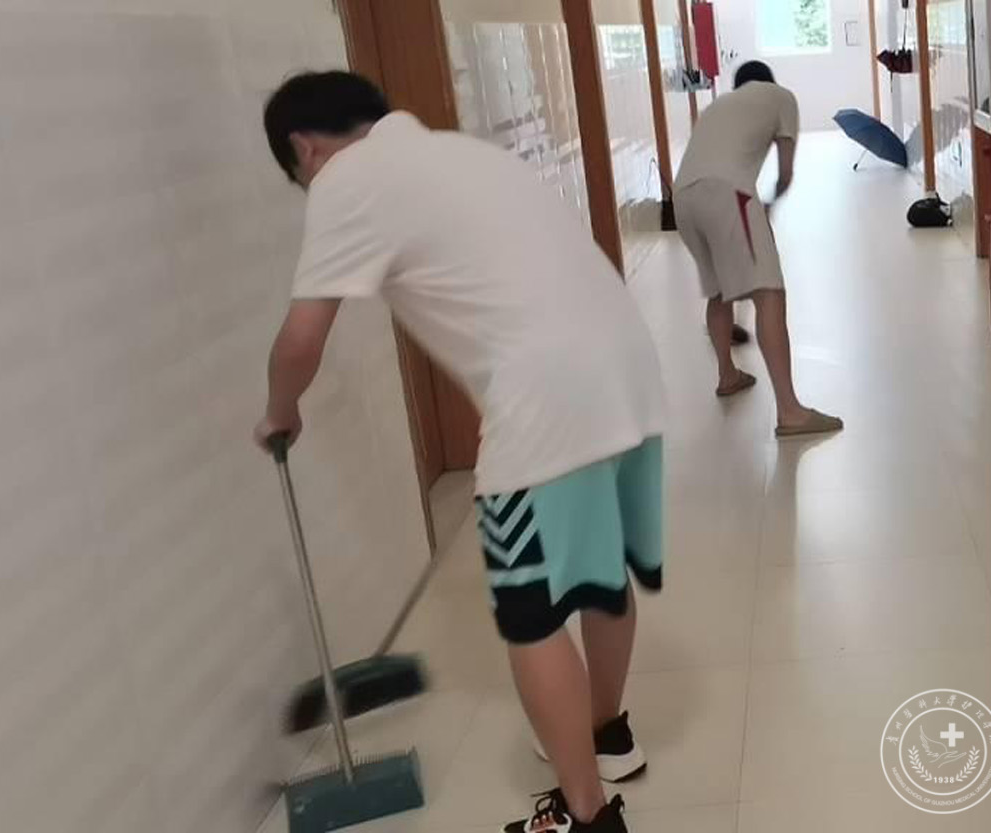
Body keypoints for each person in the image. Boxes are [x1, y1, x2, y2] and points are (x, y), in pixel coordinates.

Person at [253, 71, 667, 833]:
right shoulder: (465, 153)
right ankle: (606, 731)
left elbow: (302, 338)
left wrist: (280, 410)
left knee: (531, 614)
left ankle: (585, 816)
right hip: (631, 375)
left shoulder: (345, 179)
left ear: (304, 148)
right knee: (600, 571)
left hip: (544, 404)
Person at [673, 60, 842, 437]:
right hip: (728, 194)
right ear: (768, 81)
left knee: (719, 291)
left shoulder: (718, 105)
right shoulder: (782, 97)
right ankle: (790, 411)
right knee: (769, 294)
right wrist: (770, 202)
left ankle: (727, 375)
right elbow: (785, 172)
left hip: (682, 198)